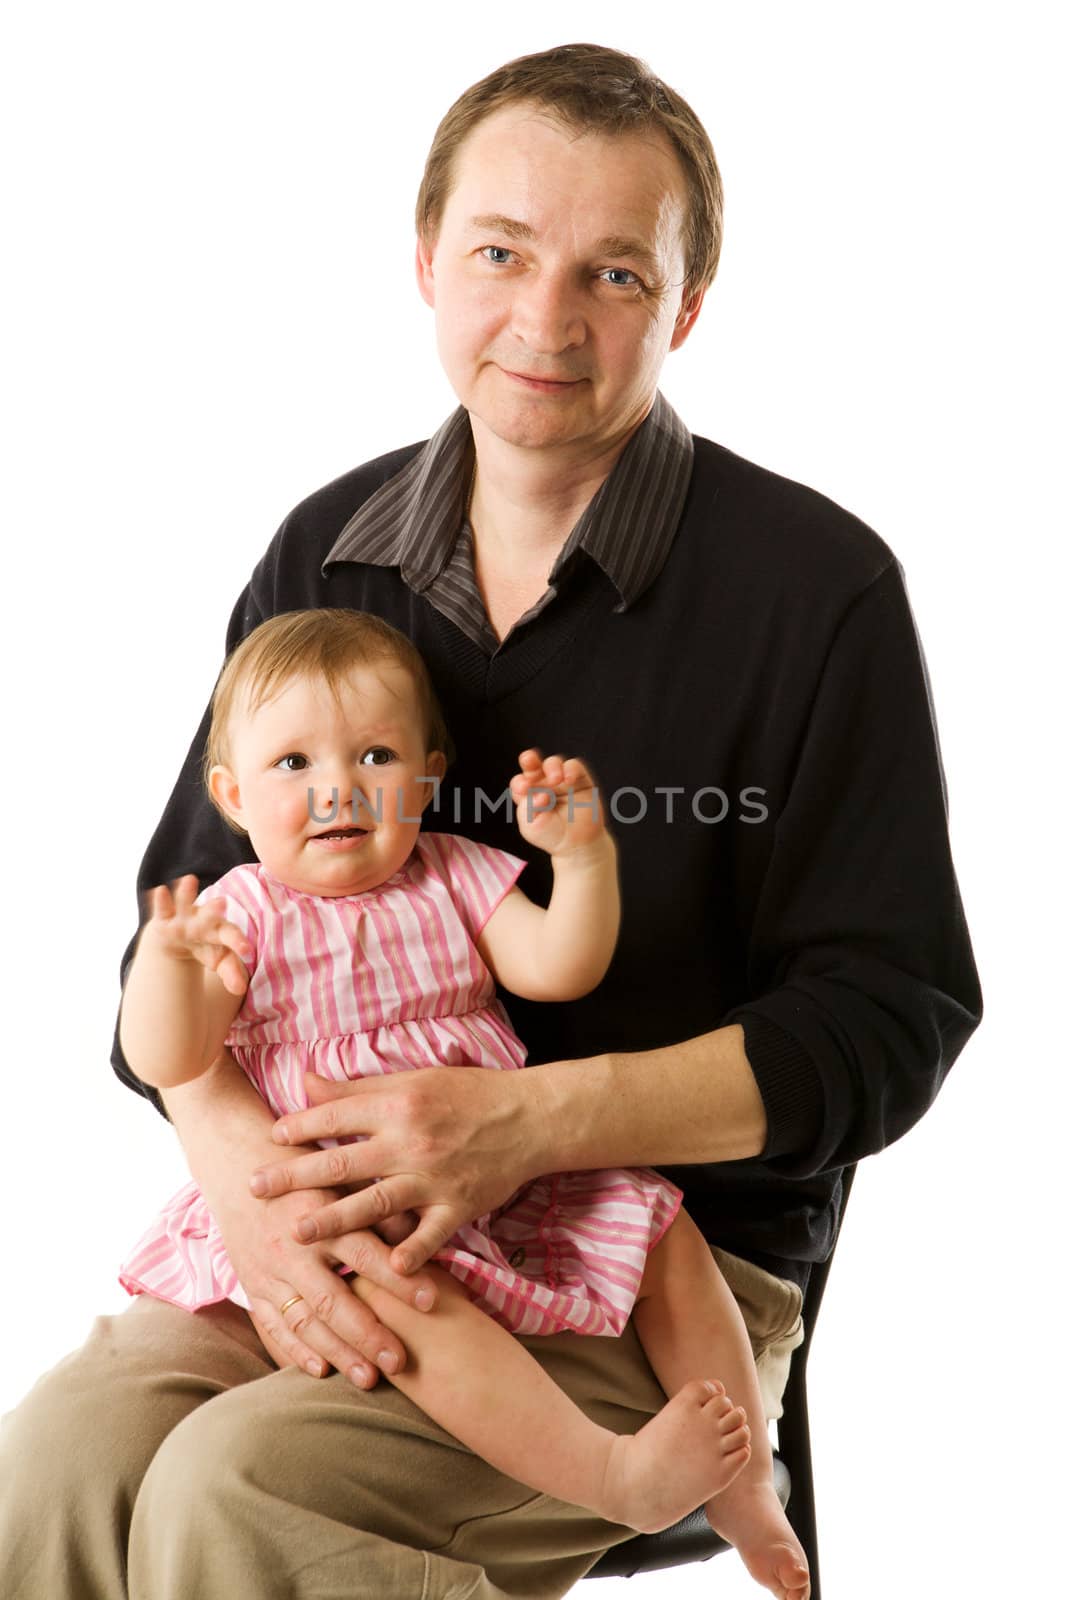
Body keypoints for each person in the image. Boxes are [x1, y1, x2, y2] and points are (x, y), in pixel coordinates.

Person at [0, 40, 981, 1600]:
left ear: (686, 306)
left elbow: (885, 1020)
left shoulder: (814, 590)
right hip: (309, 1223)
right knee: (53, 1465)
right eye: (500, 254)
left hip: (646, 1262)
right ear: (424, 261)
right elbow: (177, 932)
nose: (543, 320)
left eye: (610, 274)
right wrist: (252, 1202)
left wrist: (526, 1124)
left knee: (239, 1496)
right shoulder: (326, 549)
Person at [117, 605, 808, 1586]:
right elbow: (171, 1057)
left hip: (503, 1171)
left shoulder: (453, 873)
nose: (337, 790)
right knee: (415, 1312)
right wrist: (164, 969)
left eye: (373, 756)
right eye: (293, 766)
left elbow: (559, 965)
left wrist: (581, 860)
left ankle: (743, 1488)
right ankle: (608, 1470)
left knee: (666, 1235)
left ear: (428, 774)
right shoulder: (243, 913)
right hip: (358, 1212)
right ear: (229, 794)